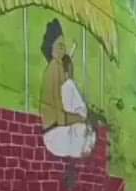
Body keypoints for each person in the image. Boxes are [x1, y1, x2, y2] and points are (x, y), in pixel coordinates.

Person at [40, 20, 96, 160]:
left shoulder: (57, 69)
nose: (63, 50)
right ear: (51, 48)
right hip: (54, 136)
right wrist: (80, 118)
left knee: (86, 129)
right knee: (85, 128)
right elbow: (61, 119)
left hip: (58, 134)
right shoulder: (54, 69)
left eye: (63, 47)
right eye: (60, 46)